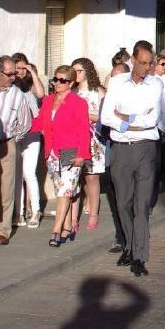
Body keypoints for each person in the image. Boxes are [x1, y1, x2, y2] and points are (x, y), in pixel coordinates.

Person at [101, 40, 165, 277]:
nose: (145, 67)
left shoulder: (156, 85)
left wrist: (124, 118)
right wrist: (132, 121)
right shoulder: (117, 82)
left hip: (146, 148)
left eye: (149, 63)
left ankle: (140, 255)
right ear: (132, 60)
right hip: (121, 149)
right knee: (123, 202)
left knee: (141, 204)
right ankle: (131, 247)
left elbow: (153, 119)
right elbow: (106, 116)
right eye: (141, 62)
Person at [33, 66, 90, 248]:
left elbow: (83, 131)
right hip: (52, 152)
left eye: (62, 80)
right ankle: (67, 225)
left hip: (71, 152)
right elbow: (40, 122)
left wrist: (83, 155)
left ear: (71, 83)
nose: (57, 83)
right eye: (55, 80)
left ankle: (55, 231)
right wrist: (22, 125)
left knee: (65, 190)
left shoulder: (78, 103)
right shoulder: (48, 100)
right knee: (61, 191)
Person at [0, 55, 32, 245]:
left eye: (14, 73)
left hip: (5, 143)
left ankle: (2, 229)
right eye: (9, 73)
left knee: (5, 187)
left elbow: (25, 123)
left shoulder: (17, 94)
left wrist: (11, 139)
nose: (13, 77)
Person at [71, 57, 105, 230]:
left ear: (87, 72)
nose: (76, 74)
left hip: (92, 138)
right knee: (73, 178)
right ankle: (72, 218)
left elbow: (105, 117)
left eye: (79, 71)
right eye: (74, 71)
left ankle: (93, 212)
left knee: (91, 176)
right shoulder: (72, 91)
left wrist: (86, 116)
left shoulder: (97, 91)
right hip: (73, 138)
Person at [12, 53, 43, 228]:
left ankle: (36, 210)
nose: (21, 71)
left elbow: (40, 94)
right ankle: (19, 212)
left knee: (29, 173)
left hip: (32, 134)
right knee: (17, 175)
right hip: (15, 134)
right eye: (18, 68)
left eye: (24, 68)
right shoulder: (11, 86)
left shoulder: (31, 84)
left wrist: (32, 72)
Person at [101, 62, 130, 255]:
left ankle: (135, 235)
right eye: (113, 76)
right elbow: (103, 126)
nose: (114, 80)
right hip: (113, 152)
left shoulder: (136, 97)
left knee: (133, 199)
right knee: (117, 199)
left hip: (134, 152)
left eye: (118, 77)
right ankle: (121, 236)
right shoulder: (108, 99)